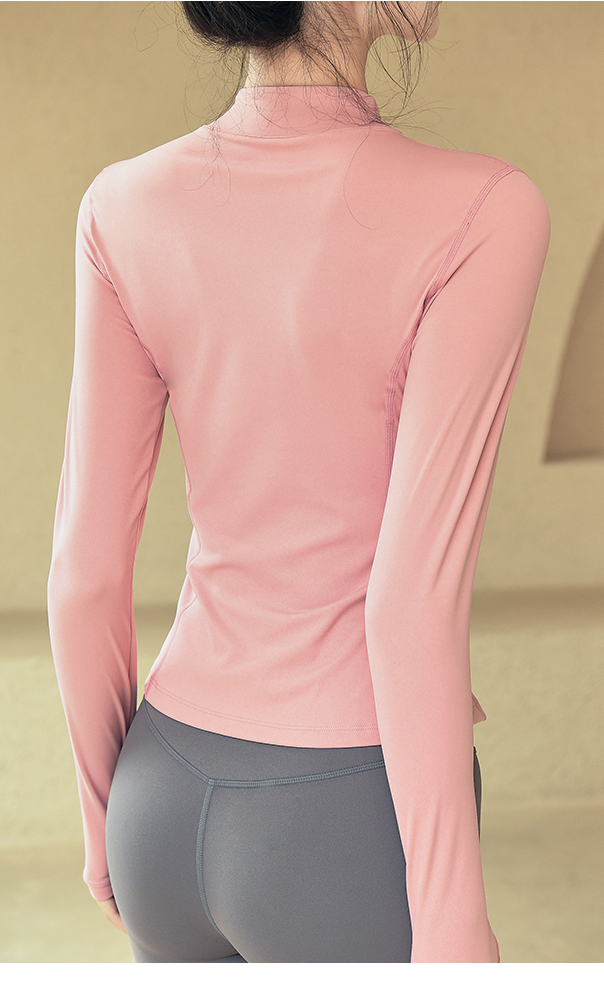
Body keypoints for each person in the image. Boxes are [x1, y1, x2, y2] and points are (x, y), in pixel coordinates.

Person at [47, 1, 550, 962]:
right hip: (344, 815)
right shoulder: (488, 211)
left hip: (158, 793)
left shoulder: (121, 204)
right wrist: (453, 922)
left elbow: (83, 576)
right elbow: (410, 602)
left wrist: (104, 822)